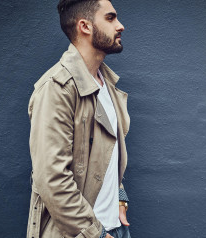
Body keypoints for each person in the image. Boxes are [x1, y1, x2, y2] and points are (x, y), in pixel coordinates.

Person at [26, 0, 131, 237]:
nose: (120, 25)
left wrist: (120, 199)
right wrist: (97, 234)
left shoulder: (107, 84)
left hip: (115, 227)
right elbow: (52, 181)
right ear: (85, 26)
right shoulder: (57, 88)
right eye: (111, 18)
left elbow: (105, 156)